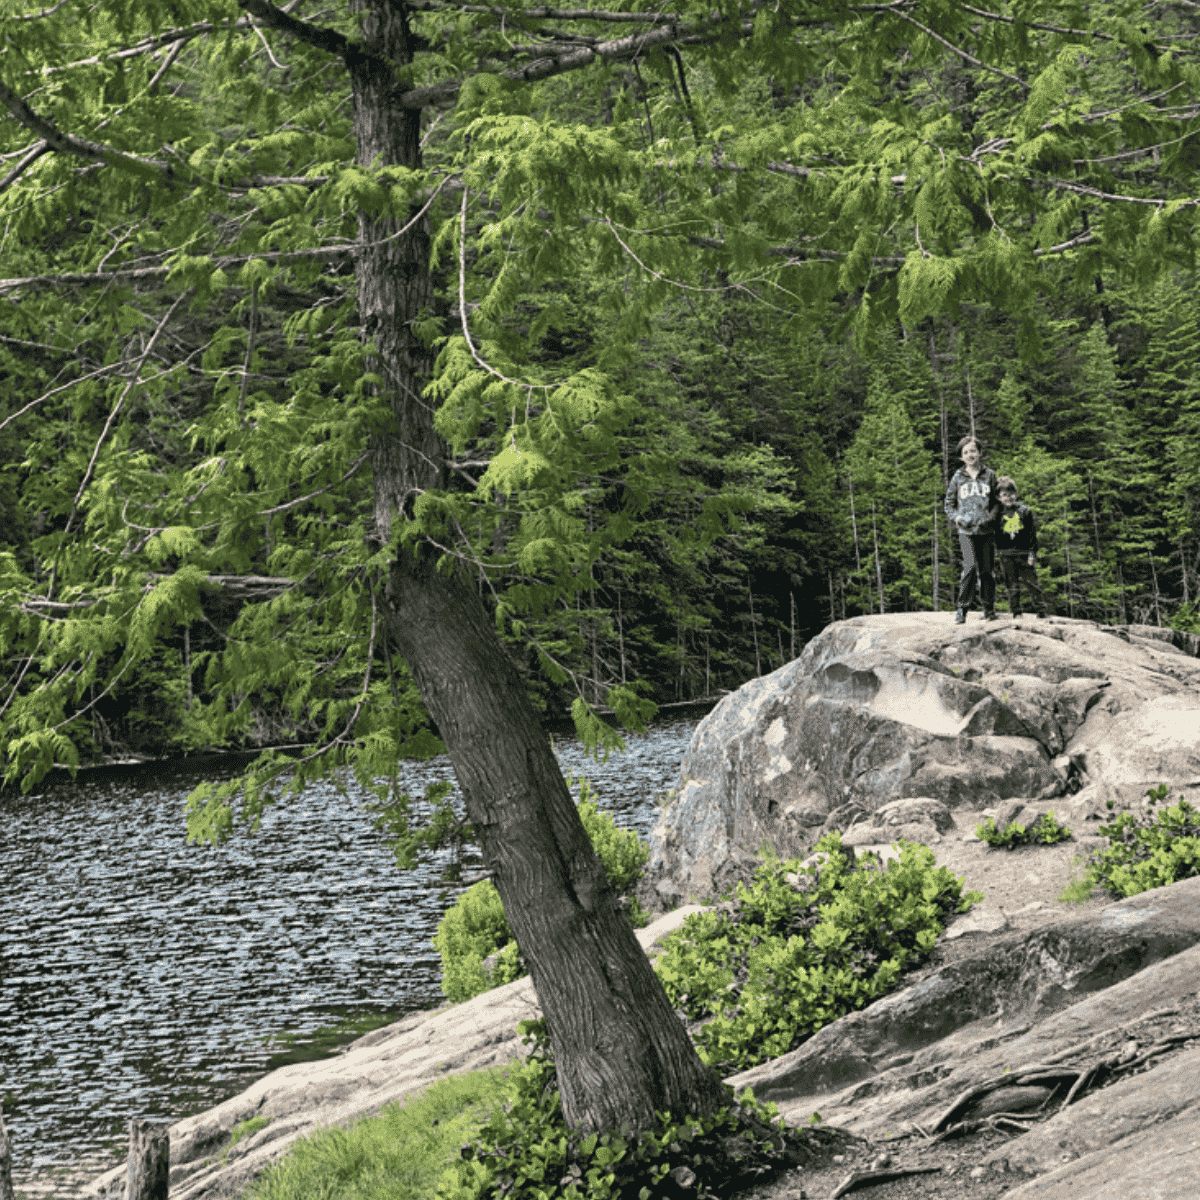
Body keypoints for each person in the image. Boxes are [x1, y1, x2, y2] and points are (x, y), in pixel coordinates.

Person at [944, 435, 1000, 623]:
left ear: (979, 453)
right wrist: (958, 518)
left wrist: (990, 519)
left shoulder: (990, 475)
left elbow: (997, 503)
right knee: (969, 568)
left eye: (973, 450)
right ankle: (962, 610)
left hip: (986, 532)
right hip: (966, 532)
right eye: (966, 452)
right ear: (961, 456)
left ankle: (989, 609)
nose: (970, 454)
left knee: (986, 571)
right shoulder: (958, 477)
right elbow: (949, 504)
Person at [993, 476, 1049, 618]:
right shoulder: (997, 513)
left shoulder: (1025, 511)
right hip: (1005, 554)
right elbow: (992, 534)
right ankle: (1016, 612)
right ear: (999, 497)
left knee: (1032, 583)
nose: (1008, 497)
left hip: (1024, 553)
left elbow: (1032, 534)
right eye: (1004, 495)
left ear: (1016, 494)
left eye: (1011, 494)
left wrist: (1032, 553)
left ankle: (1041, 611)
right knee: (1011, 585)